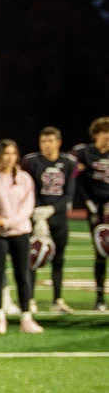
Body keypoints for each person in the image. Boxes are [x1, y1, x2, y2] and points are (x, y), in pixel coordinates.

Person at [0, 140, 42, 334]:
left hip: (20, 232)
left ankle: (26, 317)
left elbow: (28, 207)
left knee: (23, 275)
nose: (9, 158)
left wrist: (8, 222)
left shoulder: (25, 178)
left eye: (13, 153)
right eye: (5, 154)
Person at [22, 127, 80, 313]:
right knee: (32, 257)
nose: (47, 145)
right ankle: (30, 299)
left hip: (58, 217)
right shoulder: (31, 161)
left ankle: (57, 299)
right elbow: (28, 188)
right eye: (43, 141)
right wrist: (37, 211)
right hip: (36, 217)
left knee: (59, 259)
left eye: (50, 141)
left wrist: (52, 209)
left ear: (58, 142)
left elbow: (69, 192)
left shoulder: (69, 162)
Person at [73, 117, 109, 311]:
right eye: (104, 132)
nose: (107, 136)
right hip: (94, 207)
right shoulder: (84, 153)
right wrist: (88, 203)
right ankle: (100, 297)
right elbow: (71, 175)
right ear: (96, 134)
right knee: (101, 252)